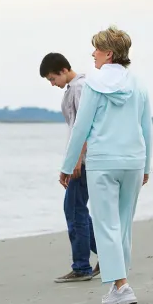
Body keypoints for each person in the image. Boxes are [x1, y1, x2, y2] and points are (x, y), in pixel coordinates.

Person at [59, 25, 152, 304]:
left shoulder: (93, 84)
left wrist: (67, 164)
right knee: (123, 225)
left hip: (102, 163)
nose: (93, 54)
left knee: (105, 225)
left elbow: (81, 128)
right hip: (133, 161)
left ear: (109, 53)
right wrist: (147, 165)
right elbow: (145, 126)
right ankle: (117, 285)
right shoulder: (138, 84)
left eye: (97, 49)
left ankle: (122, 286)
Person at [40, 52, 100, 282]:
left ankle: (82, 266)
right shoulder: (76, 87)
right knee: (77, 210)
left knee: (74, 211)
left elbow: (85, 126)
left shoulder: (79, 88)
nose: (53, 84)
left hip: (84, 160)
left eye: (52, 79)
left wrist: (76, 160)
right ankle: (105, 255)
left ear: (63, 70)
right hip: (81, 158)